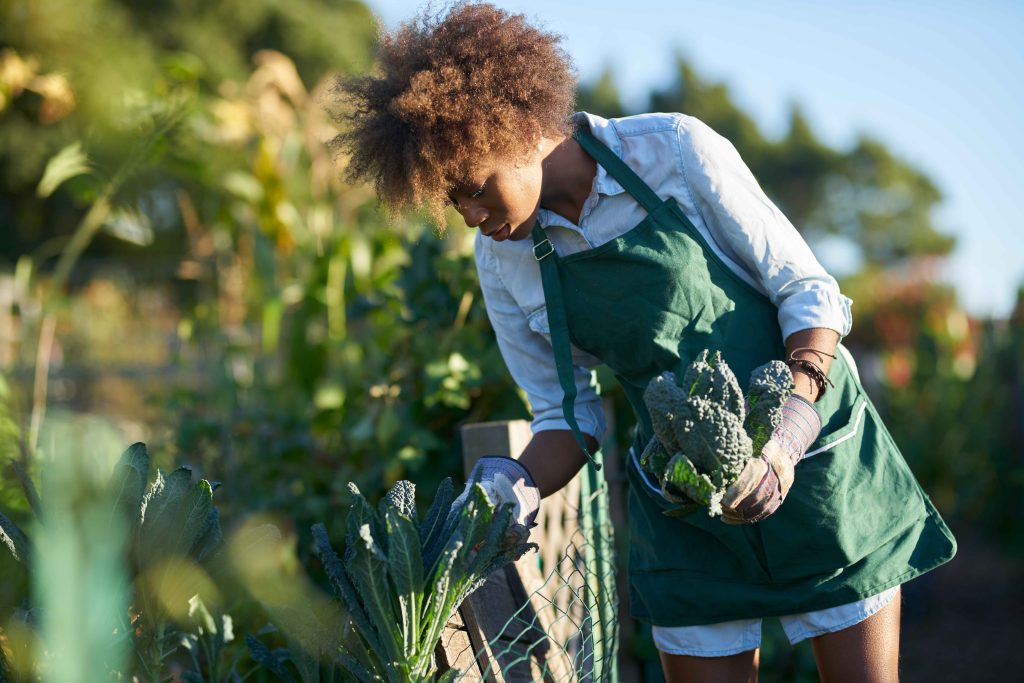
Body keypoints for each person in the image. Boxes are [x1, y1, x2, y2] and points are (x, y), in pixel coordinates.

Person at [335, 3, 956, 681]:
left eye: (476, 187)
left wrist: (790, 430)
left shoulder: (672, 153)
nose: (470, 214)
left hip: (813, 466)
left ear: (518, 128)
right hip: (684, 500)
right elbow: (567, 417)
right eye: (452, 199)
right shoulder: (504, 260)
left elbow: (806, 291)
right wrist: (510, 488)